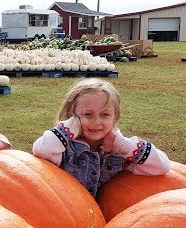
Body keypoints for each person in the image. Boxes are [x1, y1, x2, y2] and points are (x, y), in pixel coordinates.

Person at [32, 78, 170, 198]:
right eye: (87, 114)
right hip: (67, 213)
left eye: (104, 115)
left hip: (106, 218)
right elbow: (40, 150)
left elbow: (162, 166)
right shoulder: (64, 148)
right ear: (72, 116)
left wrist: (125, 145)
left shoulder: (120, 152)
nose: (96, 122)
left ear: (115, 117)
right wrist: (68, 128)